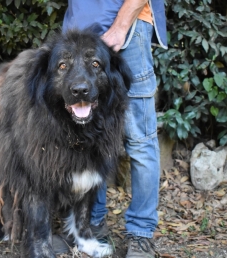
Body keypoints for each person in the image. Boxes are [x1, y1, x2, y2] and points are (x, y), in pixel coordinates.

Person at [54, 0, 168, 257]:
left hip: (126, 33)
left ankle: (141, 233)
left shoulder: (123, 28)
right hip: (80, 32)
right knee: (86, 141)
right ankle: (89, 225)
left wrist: (121, 25)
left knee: (140, 141)